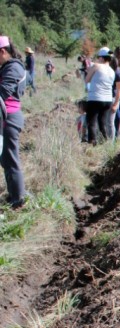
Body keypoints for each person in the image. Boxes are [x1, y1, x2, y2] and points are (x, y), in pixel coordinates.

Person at [0, 36, 28, 209]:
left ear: (2, 51)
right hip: (5, 117)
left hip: (9, 118)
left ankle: (19, 199)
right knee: (5, 159)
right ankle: (14, 195)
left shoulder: (14, 68)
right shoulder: (7, 67)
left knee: (11, 158)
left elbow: (3, 92)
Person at [84, 47, 115, 144]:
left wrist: (89, 71)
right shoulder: (112, 71)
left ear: (101, 58)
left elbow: (87, 80)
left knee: (92, 123)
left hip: (95, 98)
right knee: (103, 123)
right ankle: (104, 142)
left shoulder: (96, 66)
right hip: (108, 100)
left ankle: (92, 144)